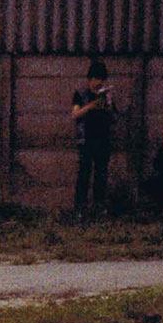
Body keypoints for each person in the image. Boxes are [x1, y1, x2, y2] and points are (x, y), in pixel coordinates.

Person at [69, 60, 115, 217]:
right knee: (84, 174)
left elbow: (113, 117)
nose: (99, 83)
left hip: (103, 139)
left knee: (101, 175)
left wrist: (107, 105)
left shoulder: (106, 96)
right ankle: (80, 208)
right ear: (90, 79)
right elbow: (75, 114)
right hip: (86, 140)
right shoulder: (80, 94)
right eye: (97, 79)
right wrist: (91, 106)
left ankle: (99, 207)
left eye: (102, 79)